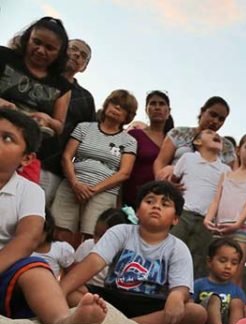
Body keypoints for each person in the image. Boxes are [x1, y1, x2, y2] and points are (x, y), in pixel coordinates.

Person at [0, 107, 106, 324]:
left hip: (4, 271)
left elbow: (27, 239)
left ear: (27, 159)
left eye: (7, 138)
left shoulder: (29, 191)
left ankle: (62, 320)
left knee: (36, 268)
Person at [61, 180, 207, 324]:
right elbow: (94, 262)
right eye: (149, 201)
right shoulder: (121, 232)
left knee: (196, 312)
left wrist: (176, 296)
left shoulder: (178, 248)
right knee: (72, 288)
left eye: (165, 204)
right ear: (137, 211)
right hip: (113, 299)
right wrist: (60, 292)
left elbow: (181, 288)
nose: (156, 206)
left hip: (151, 306)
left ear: (175, 219)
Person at [51, 90, 138, 245]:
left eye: (123, 108)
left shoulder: (129, 141)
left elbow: (124, 173)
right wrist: (75, 184)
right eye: (114, 103)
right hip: (72, 185)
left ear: (128, 115)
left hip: (103, 192)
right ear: (106, 105)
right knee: (60, 233)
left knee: (91, 238)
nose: (116, 108)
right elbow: (66, 156)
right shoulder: (84, 127)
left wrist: (94, 189)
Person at [1, 17, 72, 184]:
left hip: (25, 153)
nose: (40, 50)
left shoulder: (62, 86)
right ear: (28, 38)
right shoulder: (3, 57)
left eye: (50, 48)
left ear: (59, 54)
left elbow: (59, 126)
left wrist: (47, 120)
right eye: (36, 42)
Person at [38, 38, 96, 204]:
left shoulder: (86, 98)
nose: (77, 54)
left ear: (84, 67)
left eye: (83, 55)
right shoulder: (38, 78)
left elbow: (87, 138)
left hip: (52, 168)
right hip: (15, 153)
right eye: (73, 49)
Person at [204, 133, 246, 284]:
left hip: (241, 229)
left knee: (234, 274)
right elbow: (216, 200)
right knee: (213, 271)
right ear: (239, 149)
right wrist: (208, 218)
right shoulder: (226, 174)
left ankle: (231, 306)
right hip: (219, 227)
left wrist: (238, 223)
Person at [169, 129, 230, 278]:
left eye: (218, 136)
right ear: (197, 142)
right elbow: (174, 180)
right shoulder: (188, 158)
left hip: (206, 221)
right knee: (171, 250)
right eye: (209, 132)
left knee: (198, 261)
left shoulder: (225, 169)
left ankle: (188, 295)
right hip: (183, 214)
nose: (216, 135)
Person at [153, 96, 235, 179]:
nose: (215, 121)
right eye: (213, 115)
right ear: (202, 111)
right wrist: (163, 183)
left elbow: (231, 177)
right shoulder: (178, 133)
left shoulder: (226, 146)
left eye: (221, 119)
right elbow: (160, 162)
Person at [70, 207, 133, 303]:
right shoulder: (87, 245)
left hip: (111, 299)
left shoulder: (127, 256)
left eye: (103, 237)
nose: (97, 241)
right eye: (96, 234)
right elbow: (72, 275)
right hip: (88, 293)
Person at [122, 91, 173, 208]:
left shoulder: (174, 141)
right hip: (130, 200)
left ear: (168, 111)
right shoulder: (135, 135)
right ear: (146, 110)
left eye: (161, 104)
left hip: (160, 204)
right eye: (153, 104)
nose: (157, 107)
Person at [193, 238, 246, 324]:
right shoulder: (199, 284)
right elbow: (189, 304)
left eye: (234, 263)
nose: (228, 266)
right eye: (222, 261)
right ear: (209, 262)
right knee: (214, 299)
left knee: (237, 302)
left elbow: (245, 316)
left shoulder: (237, 291)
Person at [32, 208, 74, 279]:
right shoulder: (18, 249)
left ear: (48, 230)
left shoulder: (60, 249)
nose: (32, 235)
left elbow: (73, 274)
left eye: (37, 231)